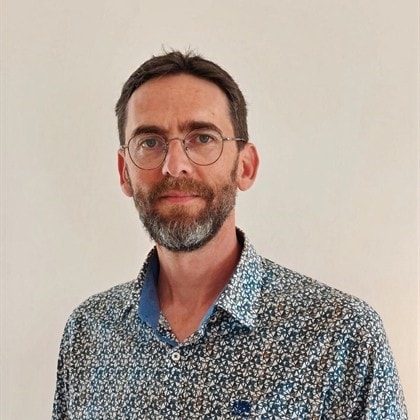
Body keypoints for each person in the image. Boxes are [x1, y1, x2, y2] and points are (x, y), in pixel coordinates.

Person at [52, 51, 407, 419]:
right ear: (124, 172)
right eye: (150, 142)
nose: (175, 165)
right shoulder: (88, 333)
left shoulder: (341, 335)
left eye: (202, 138)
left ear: (245, 166)